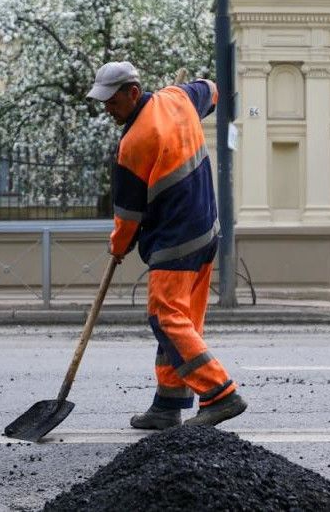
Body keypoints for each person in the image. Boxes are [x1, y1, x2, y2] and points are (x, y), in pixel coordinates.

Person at [87, 61, 247, 429]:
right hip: (206, 231)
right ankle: (167, 404)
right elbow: (211, 90)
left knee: (166, 317)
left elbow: (128, 216)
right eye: (103, 102)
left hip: (175, 239)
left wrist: (118, 247)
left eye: (112, 101)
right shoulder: (178, 97)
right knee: (181, 322)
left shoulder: (133, 143)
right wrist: (185, 104)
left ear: (133, 93)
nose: (107, 109)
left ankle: (221, 393)